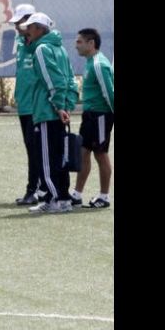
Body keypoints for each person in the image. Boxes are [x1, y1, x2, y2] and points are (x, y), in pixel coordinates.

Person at [22, 12, 79, 214]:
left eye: (29, 27)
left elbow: (52, 80)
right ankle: (56, 198)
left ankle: (58, 198)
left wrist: (58, 106)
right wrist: (66, 105)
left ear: (39, 28)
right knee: (58, 156)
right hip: (56, 111)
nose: (26, 31)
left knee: (46, 159)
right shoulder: (60, 49)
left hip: (47, 112)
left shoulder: (42, 49)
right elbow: (70, 79)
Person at [71, 28, 114, 209]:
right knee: (83, 152)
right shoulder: (90, 62)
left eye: (79, 42)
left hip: (100, 115)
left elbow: (109, 92)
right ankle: (77, 194)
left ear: (91, 43)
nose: (76, 45)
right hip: (90, 115)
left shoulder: (98, 64)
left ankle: (104, 196)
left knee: (100, 153)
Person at [8, 4, 42, 205]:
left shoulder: (41, 45)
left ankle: (37, 189)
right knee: (31, 148)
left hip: (37, 107)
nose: (17, 27)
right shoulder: (21, 43)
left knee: (38, 149)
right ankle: (35, 188)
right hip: (25, 105)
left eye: (20, 23)